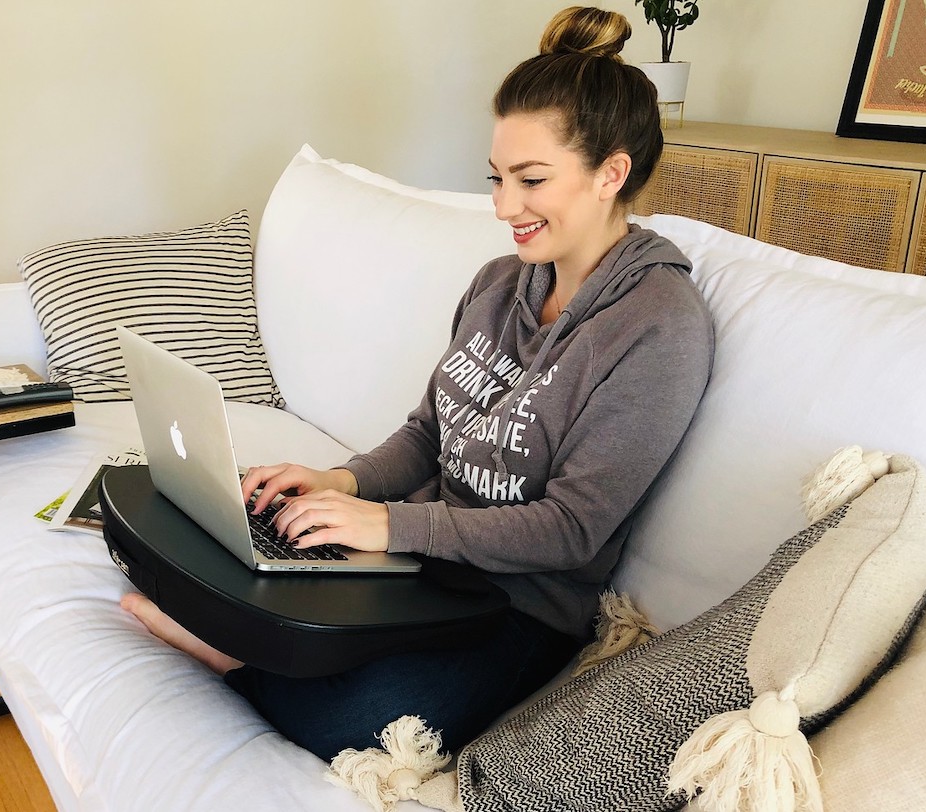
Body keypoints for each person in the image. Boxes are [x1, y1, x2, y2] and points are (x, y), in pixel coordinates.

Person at [122, 5, 715, 761]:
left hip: (518, 607)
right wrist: (335, 480)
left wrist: (389, 525)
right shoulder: (501, 283)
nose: (504, 207)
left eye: (531, 180)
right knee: (220, 546)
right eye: (497, 178)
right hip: (418, 566)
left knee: (358, 718)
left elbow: (572, 531)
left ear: (612, 173)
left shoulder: (658, 325)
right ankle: (251, 637)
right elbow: (428, 433)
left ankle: (234, 655)